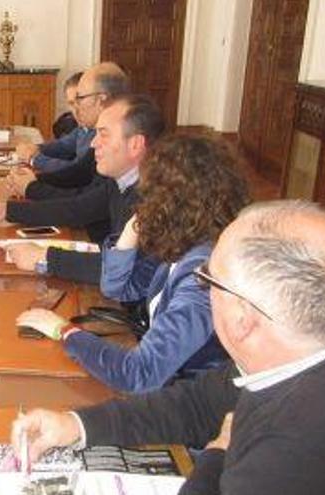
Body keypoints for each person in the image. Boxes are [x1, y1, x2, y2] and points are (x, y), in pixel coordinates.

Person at [12, 200, 325, 495]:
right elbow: (197, 402)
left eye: (208, 278)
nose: (201, 287)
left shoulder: (295, 454)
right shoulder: (302, 344)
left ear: (243, 318)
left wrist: (218, 454)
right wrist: (76, 425)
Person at [15, 133, 250, 392]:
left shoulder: (202, 277)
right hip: (163, 383)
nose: (143, 200)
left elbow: (140, 372)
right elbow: (119, 288)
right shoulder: (184, 244)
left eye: (149, 192)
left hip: (187, 404)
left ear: (175, 200)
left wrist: (63, 331)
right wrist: (128, 236)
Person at [0, 94, 165, 284]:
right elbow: (76, 209)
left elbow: (126, 272)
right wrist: (6, 210)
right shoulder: (120, 182)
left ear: (135, 144)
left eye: (104, 134)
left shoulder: (158, 199)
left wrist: (45, 257)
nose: (93, 143)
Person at [6, 62, 129, 198]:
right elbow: (67, 153)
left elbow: (84, 197)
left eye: (80, 99)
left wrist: (34, 175)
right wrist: (34, 153)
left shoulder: (116, 138)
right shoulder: (85, 129)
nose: (76, 109)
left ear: (101, 100)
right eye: (72, 103)